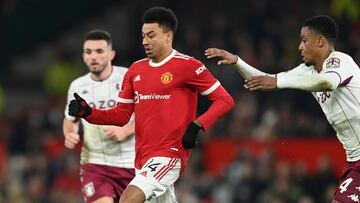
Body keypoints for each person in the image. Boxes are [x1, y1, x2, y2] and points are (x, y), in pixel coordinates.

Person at [68, 7, 234, 203]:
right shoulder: (135, 70)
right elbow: (121, 116)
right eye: (143, 36)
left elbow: (225, 100)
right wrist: (89, 112)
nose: (145, 41)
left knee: (127, 200)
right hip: (142, 159)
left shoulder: (188, 66)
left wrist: (198, 125)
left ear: (168, 36)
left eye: (151, 35)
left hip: (169, 154)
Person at [205, 15, 360, 203]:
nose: (299, 47)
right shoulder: (307, 71)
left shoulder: (340, 62)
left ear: (320, 41)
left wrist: (278, 81)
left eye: (304, 40)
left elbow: (327, 82)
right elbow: (263, 80)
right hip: (354, 160)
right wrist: (237, 61)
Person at [63, 29, 135, 203]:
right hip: (96, 165)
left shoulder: (128, 77)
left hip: (132, 165)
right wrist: (70, 133)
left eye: (99, 51)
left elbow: (150, 115)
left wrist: (127, 130)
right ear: (83, 56)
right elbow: (69, 119)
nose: (93, 57)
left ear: (111, 54)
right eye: (88, 52)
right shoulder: (78, 86)